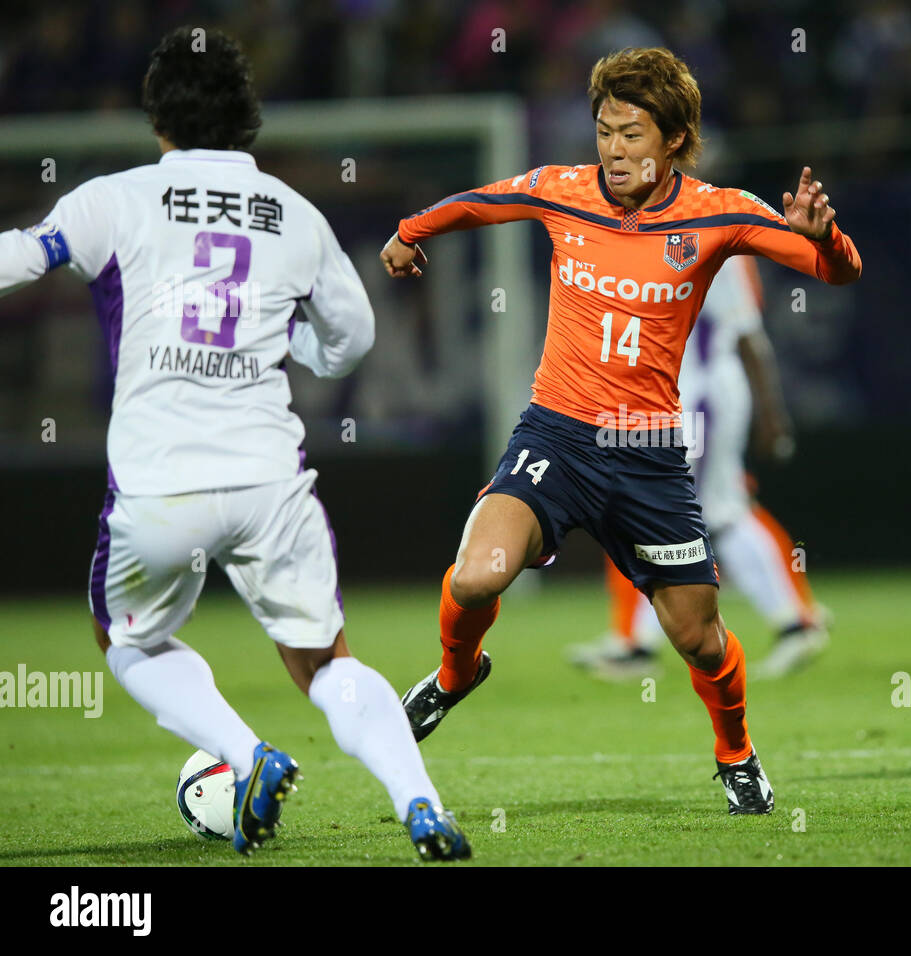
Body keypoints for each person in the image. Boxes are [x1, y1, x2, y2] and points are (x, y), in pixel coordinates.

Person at [0, 27, 468, 861]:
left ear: (156, 118)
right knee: (327, 662)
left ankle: (249, 756)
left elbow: (26, 258)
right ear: (249, 119)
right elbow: (352, 337)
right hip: (268, 481)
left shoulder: (116, 198)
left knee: (130, 640)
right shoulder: (297, 214)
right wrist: (304, 350)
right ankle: (422, 804)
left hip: (159, 485)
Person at [381, 46, 860, 815]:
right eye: (605, 130)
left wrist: (824, 237)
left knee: (699, 640)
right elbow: (478, 202)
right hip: (556, 437)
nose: (614, 149)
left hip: (647, 454)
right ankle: (453, 675)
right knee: (476, 575)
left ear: (673, 139)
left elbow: (840, 271)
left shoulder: (719, 212)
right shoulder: (564, 192)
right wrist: (412, 230)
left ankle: (735, 752)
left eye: (632, 134)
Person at [570, 255, 831, 680]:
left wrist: (773, 414)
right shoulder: (654, 235)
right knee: (698, 513)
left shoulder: (708, 240)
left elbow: (747, 334)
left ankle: (794, 622)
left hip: (699, 399)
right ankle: (639, 641)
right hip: (675, 400)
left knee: (706, 515)